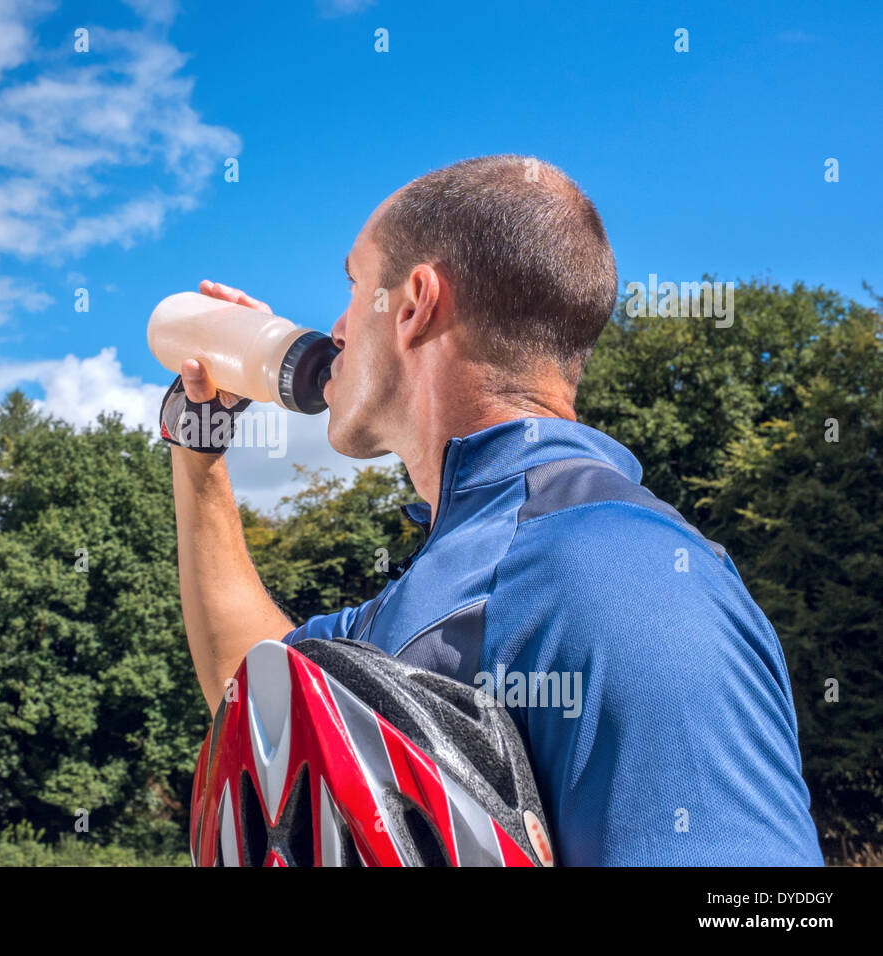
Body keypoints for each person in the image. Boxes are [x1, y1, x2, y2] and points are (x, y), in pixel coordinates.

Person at [160, 154, 824, 866]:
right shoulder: (458, 575)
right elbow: (262, 704)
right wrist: (199, 448)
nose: (337, 328)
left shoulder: (623, 573)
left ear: (413, 305)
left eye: (354, 284)